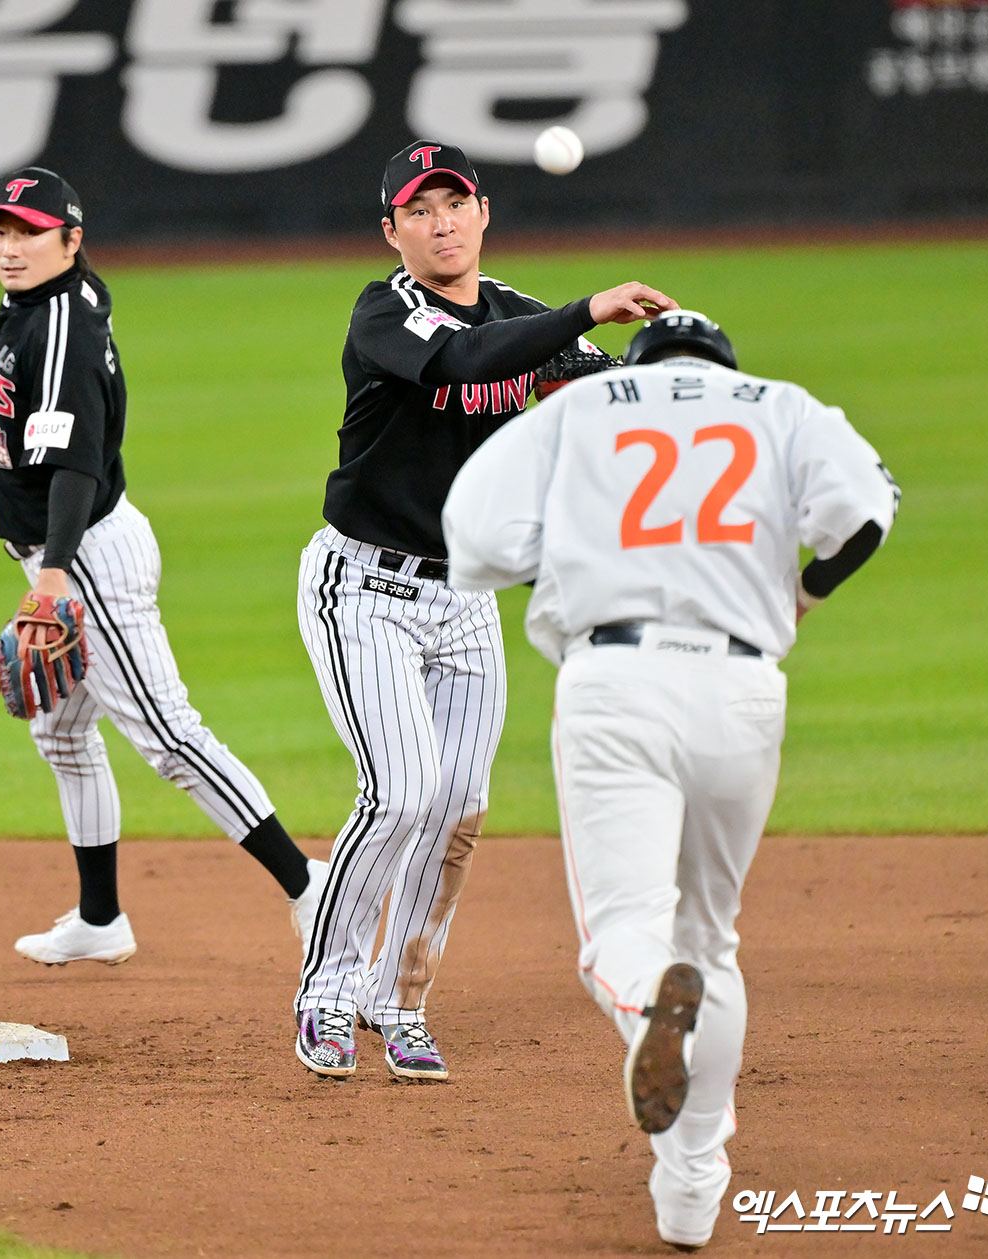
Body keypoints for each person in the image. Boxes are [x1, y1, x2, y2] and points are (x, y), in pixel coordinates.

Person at [442, 310, 900, 1246]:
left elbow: (475, 536)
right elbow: (868, 513)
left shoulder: (580, 408)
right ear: (722, 362)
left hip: (616, 682)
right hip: (744, 689)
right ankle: (690, 1192)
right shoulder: (783, 406)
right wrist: (803, 595)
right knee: (712, 940)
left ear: (642, 362)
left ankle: (653, 996)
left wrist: (581, 565)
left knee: (625, 930)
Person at [0, 24, 327, 967]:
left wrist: (53, 579)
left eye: (28, 234)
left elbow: (76, 466)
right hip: (70, 551)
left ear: (72, 240)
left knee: (168, 734)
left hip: (83, 553)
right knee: (62, 731)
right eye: (0, 232)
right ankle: (101, 920)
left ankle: (311, 886)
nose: (8, 246)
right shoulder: (56, 289)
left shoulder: (61, 335)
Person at [293, 137, 678, 1081]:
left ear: (483, 212)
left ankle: (398, 1000)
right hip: (363, 589)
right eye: (419, 210)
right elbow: (465, 361)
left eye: (455, 203)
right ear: (392, 231)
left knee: (458, 807)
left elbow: (604, 387)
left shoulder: (518, 313)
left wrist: (676, 371)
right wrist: (582, 312)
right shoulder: (386, 311)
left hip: (464, 598)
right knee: (400, 791)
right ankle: (327, 993)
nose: (442, 223)